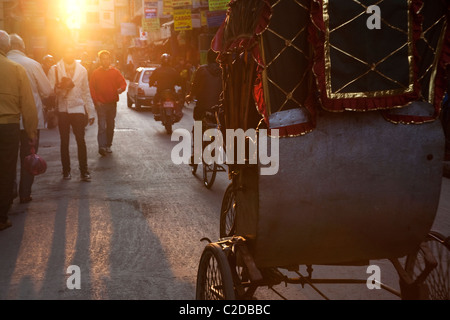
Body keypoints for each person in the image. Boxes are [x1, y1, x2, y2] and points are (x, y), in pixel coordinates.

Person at [7, 33, 54, 203]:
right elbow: (48, 90)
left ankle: (9, 191)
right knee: (29, 157)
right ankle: (25, 193)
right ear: (22, 47)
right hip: (30, 120)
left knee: (7, 158)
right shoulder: (33, 65)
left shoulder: (4, 63)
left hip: (7, 120)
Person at [0, 30, 38, 231]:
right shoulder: (16, 69)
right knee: (6, 171)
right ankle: (1, 216)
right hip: (8, 127)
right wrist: (31, 133)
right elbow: (29, 107)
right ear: (6, 47)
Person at [47, 45, 95, 181]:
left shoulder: (82, 70)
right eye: (67, 51)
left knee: (81, 140)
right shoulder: (55, 69)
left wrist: (90, 112)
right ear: (63, 53)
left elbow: (86, 91)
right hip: (63, 109)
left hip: (78, 109)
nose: (70, 54)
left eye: (72, 51)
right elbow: (50, 91)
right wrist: (60, 88)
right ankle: (66, 170)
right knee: (64, 141)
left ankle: (84, 171)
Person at [89, 49, 127, 156]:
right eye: (103, 59)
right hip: (101, 104)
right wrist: (96, 101)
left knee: (110, 125)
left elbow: (123, 83)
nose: (105, 61)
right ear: (100, 60)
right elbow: (92, 88)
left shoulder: (115, 72)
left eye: (107, 59)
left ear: (110, 60)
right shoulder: (95, 73)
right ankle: (101, 146)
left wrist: (121, 89)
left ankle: (108, 145)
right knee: (102, 126)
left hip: (112, 104)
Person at [186, 49, 223, 121]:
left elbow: (195, 86)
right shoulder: (224, 70)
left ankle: (197, 132)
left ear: (208, 58)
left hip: (202, 105)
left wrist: (190, 96)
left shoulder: (202, 69)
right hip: (219, 106)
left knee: (198, 126)